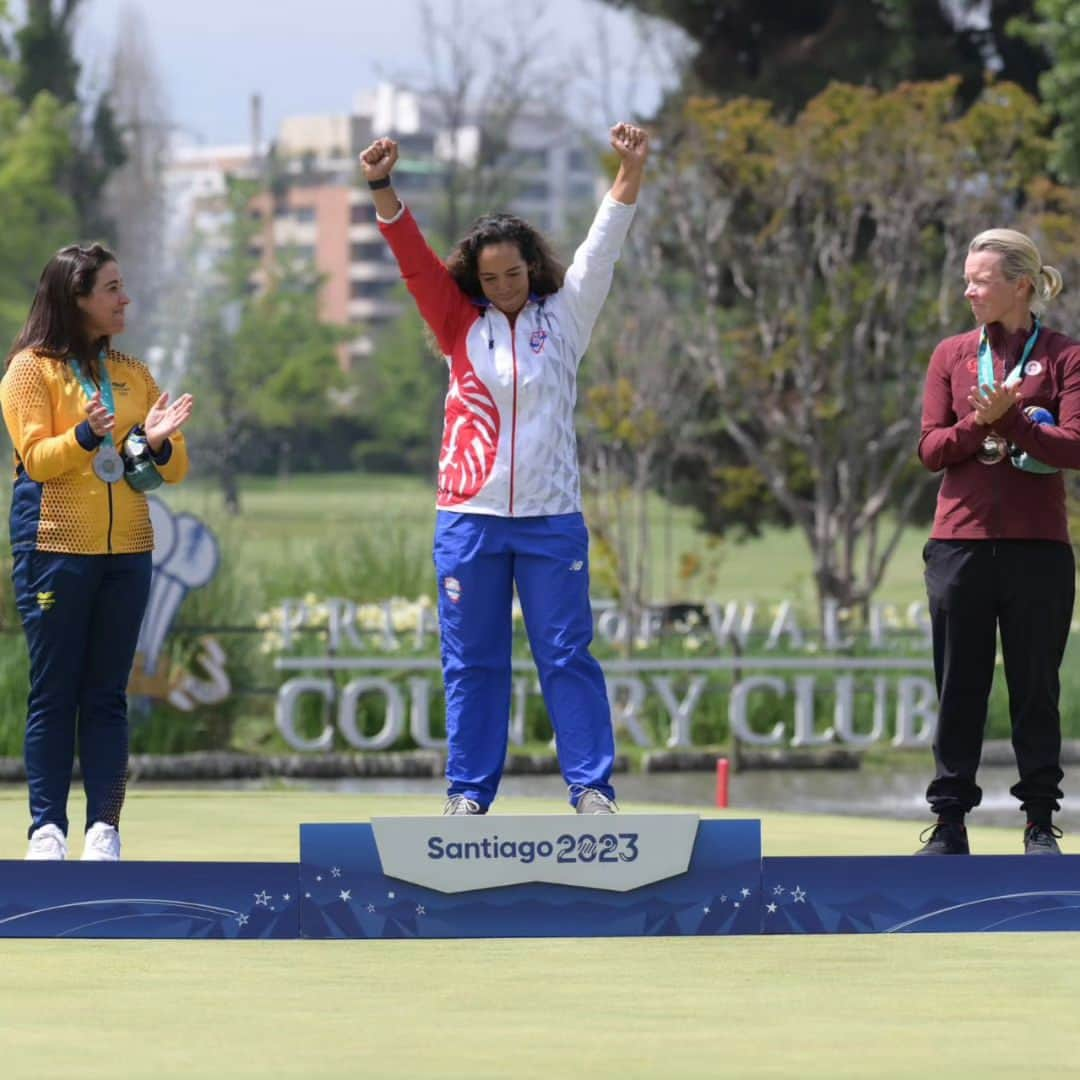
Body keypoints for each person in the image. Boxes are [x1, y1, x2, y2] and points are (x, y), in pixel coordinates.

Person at [360, 123, 649, 815]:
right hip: (469, 519)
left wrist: (630, 169)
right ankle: (468, 797)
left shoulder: (567, 317)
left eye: (513, 274)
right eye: (489, 278)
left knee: (566, 657)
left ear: (532, 267)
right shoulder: (458, 322)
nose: (504, 286)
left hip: (551, 520)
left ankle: (591, 790)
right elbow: (414, 261)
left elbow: (602, 246)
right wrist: (380, 186)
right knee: (472, 663)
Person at [1, 244, 194, 860]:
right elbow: (38, 459)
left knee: (109, 694)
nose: (124, 298)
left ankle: (103, 829)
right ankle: (47, 830)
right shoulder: (30, 371)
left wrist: (154, 443)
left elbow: (171, 467)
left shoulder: (135, 373)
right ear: (76, 298)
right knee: (55, 690)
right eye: (111, 288)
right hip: (54, 548)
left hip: (129, 549)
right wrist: (88, 432)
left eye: (123, 285)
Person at [917, 227, 1080, 855]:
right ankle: (951, 821)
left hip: (1039, 546)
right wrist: (978, 424)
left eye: (979, 280)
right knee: (959, 684)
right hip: (958, 543)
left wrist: (1013, 421)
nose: (968, 290)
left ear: (1020, 285)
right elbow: (930, 449)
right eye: (966, 278)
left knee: (1036, 686)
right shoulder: (951, 356)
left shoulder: (1065, 356)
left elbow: (1075, 444)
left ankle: (1040, 822)